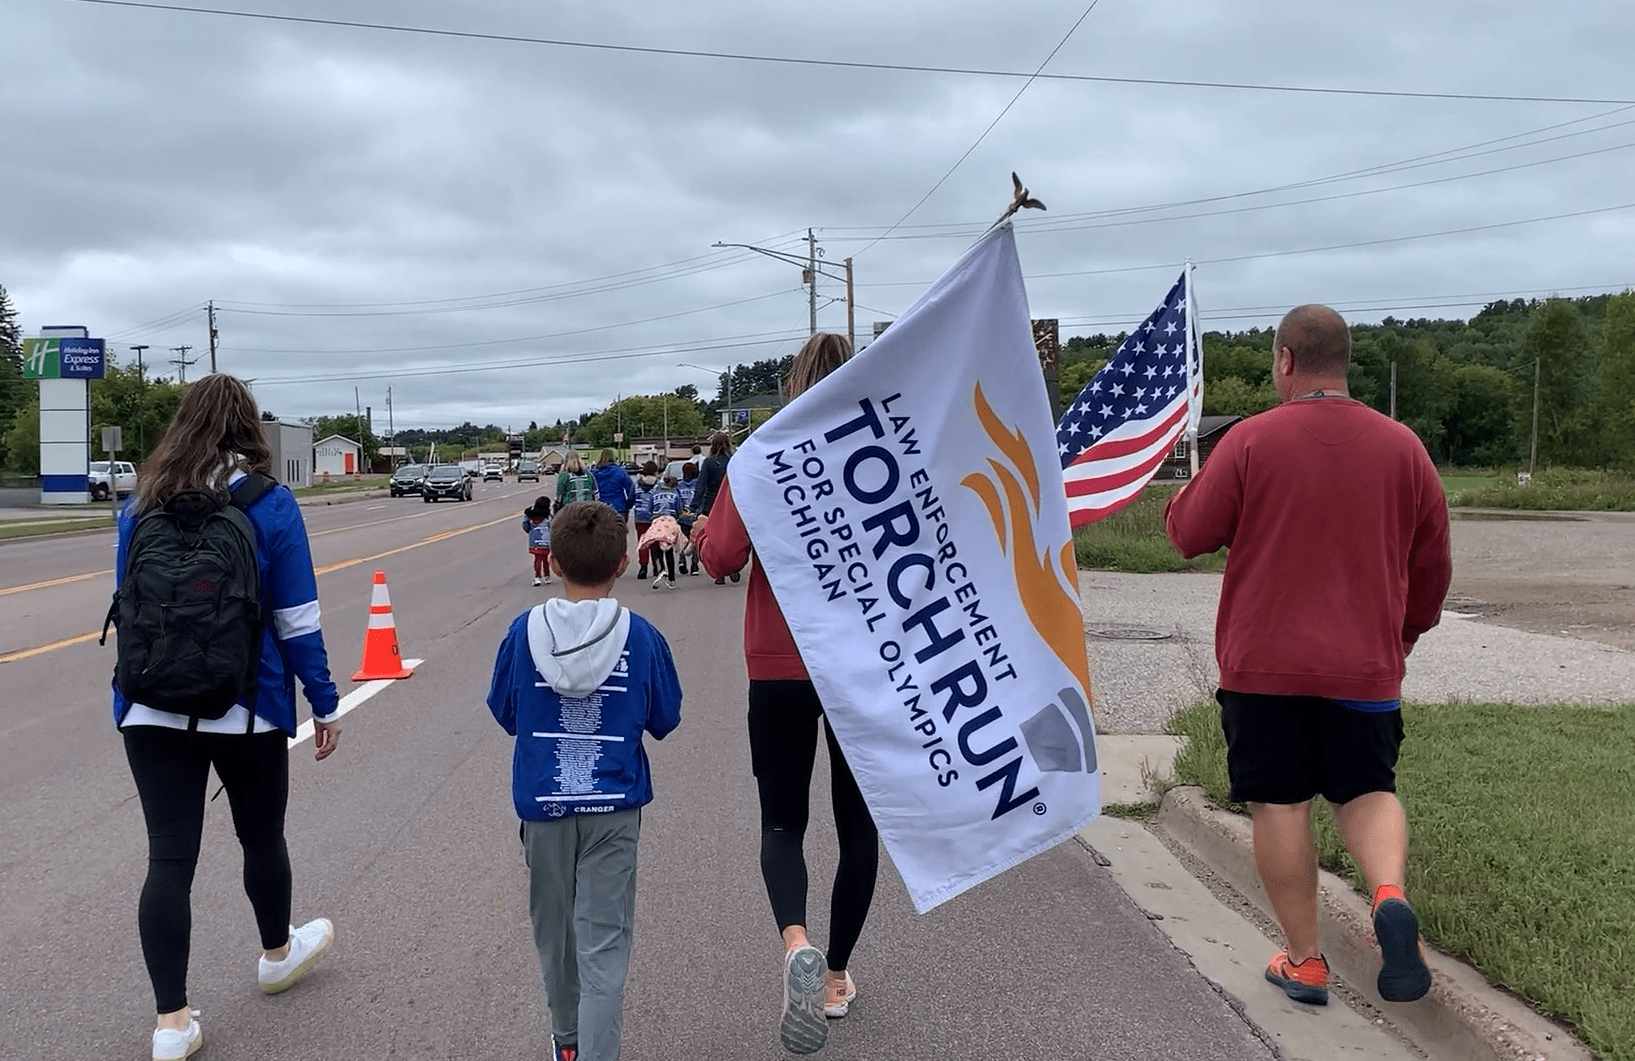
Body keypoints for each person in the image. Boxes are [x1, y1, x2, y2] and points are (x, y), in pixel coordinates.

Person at [1164, 304, 1452, 1009]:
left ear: (1286, 361)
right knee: (1366, 789)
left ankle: (1305, 960)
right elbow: (1431, 568)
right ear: (1343, 361)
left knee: (1280, 803)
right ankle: (1387, 892)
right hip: (1364, 669)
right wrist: (1400, 638)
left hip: (1264, 670)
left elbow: (1186, 534)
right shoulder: (1404, 449)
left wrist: (1185, 492)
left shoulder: (1250, 439)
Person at [110, 374, 341, 1061]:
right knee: (260, 837)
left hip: (151, 704)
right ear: (249, 427)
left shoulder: (138, 503)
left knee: (168, 858)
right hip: (248, 704)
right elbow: (296, 619)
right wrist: (323, 700)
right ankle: (276, 953)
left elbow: (128, 607)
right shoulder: (271, 504)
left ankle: (172, 1024)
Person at [692, 333, 876, 1055]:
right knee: (858, 827)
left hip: (777, 665)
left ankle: (794, 938)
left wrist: (707, 529)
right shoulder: (880, 454)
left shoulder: (761, 454)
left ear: (794, 382)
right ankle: (833, 976)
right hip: (864, 669)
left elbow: (721, 558)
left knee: (781, 823)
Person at [486, 501, 682, 1061]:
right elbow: (665, 717)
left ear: (558, 561)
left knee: (556, 938)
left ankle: (566, 1043)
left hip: (543, 810)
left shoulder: (523, 633)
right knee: (603, 945)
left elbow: (505, 712)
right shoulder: (641, 637)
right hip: (614, 810)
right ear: (623, 563)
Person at [692, 432, 737, 585]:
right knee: (732, 535)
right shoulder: (734, 461)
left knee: (715, 538)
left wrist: (693, 505)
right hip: (732, 502)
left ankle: (720, 574)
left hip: (712, 504)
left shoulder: (709, 462)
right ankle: (734, 566)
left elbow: (701, 485)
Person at [636, 475, 683, 589]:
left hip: (657, 521)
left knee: (656, 548)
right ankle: (672, 579)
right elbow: (679, 510)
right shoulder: (675, 494)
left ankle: (660, 569)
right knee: (668, 549)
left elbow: (650, 509)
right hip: (670, 521)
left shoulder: (654, 494)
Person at [592, 449, 637, 528]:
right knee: (620, 536)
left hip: (601, 508)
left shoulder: (594, 473)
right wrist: (629, 504)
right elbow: (631, 488)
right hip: (619, 508)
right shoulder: (620, 471)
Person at [631, 461, 658, 581]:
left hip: (640, 516)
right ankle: (657, 566)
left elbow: (631, 499)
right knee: (655, 541)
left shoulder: (637, 485)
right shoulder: (659, 485)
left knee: (643, 541)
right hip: (654, 516)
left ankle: (643, 566)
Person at [675, 462, 700, 576]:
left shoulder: (679, 485)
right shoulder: (697, 484)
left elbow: (677, 499)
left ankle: (682, 561)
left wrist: (680, 511)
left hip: (683, 516)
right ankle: (694, 565)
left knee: (683, 540)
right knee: (695, 541)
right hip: (695, 516)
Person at [526, 498, 554, 587]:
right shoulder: (548, 515)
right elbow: (552, 525)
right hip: (546, 540)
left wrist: (531, 532)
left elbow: (525, 525)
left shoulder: (529, 514)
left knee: (537, 559)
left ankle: (537, 577)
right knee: (545, 558)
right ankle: (547, 576)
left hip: (534, 540)